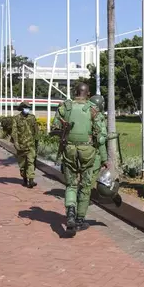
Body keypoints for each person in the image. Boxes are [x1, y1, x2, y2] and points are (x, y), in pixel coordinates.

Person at [51, 83, 109, 236]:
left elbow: (55, 127)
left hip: (69, 150)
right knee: (85, 185)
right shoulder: (93, 109)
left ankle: (70, 211)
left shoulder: (65, 107)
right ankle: (80, 220)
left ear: (75, 92)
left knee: (71, 184)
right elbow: (101, 137)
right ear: (88, 93)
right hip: (87, 152)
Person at [11, 101, 39, 188]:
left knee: (31, 162)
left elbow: (36, 130)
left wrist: (37, 141)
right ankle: (24, 179)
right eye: (26, 108)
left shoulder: (32, 117)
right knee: (22, 164)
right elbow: (14, 132)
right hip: (21, 145)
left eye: (28, 108)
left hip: (31, 144)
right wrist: (16, 144)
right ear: (22, 108)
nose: (27, 110)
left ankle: (31, 180)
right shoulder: (16, 119)